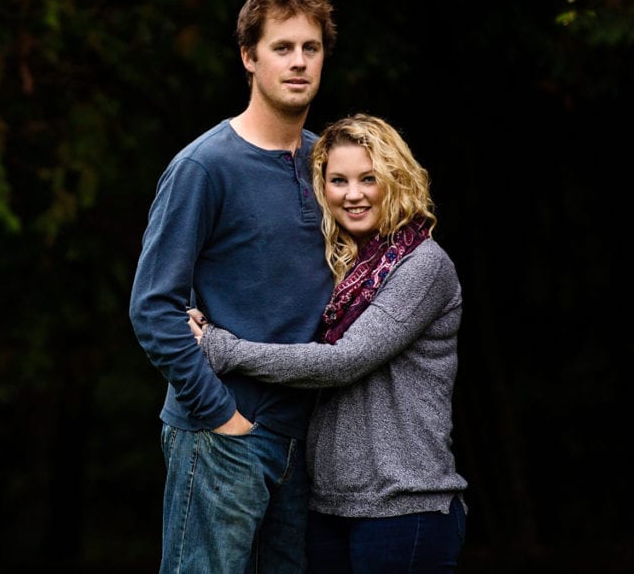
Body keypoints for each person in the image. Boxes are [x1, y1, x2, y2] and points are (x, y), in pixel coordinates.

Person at [189, 113, 468, 573]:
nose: (352, 194)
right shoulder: (339, 270)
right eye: (338, 180)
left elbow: (345, 361)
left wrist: (223, 349)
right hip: (329, 508)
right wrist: (201, 304)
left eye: (368, 179)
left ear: (396, 180)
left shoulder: (422, 265)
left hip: (405, 508)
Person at [129, 0, 337, 573]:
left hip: (306, 444)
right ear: (249, 57)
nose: (298, 62)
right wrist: (221, 417)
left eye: (311, 47)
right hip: (223, 435)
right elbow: (153, 306)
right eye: (281, 47)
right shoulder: (204, 166)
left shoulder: (331, 165)